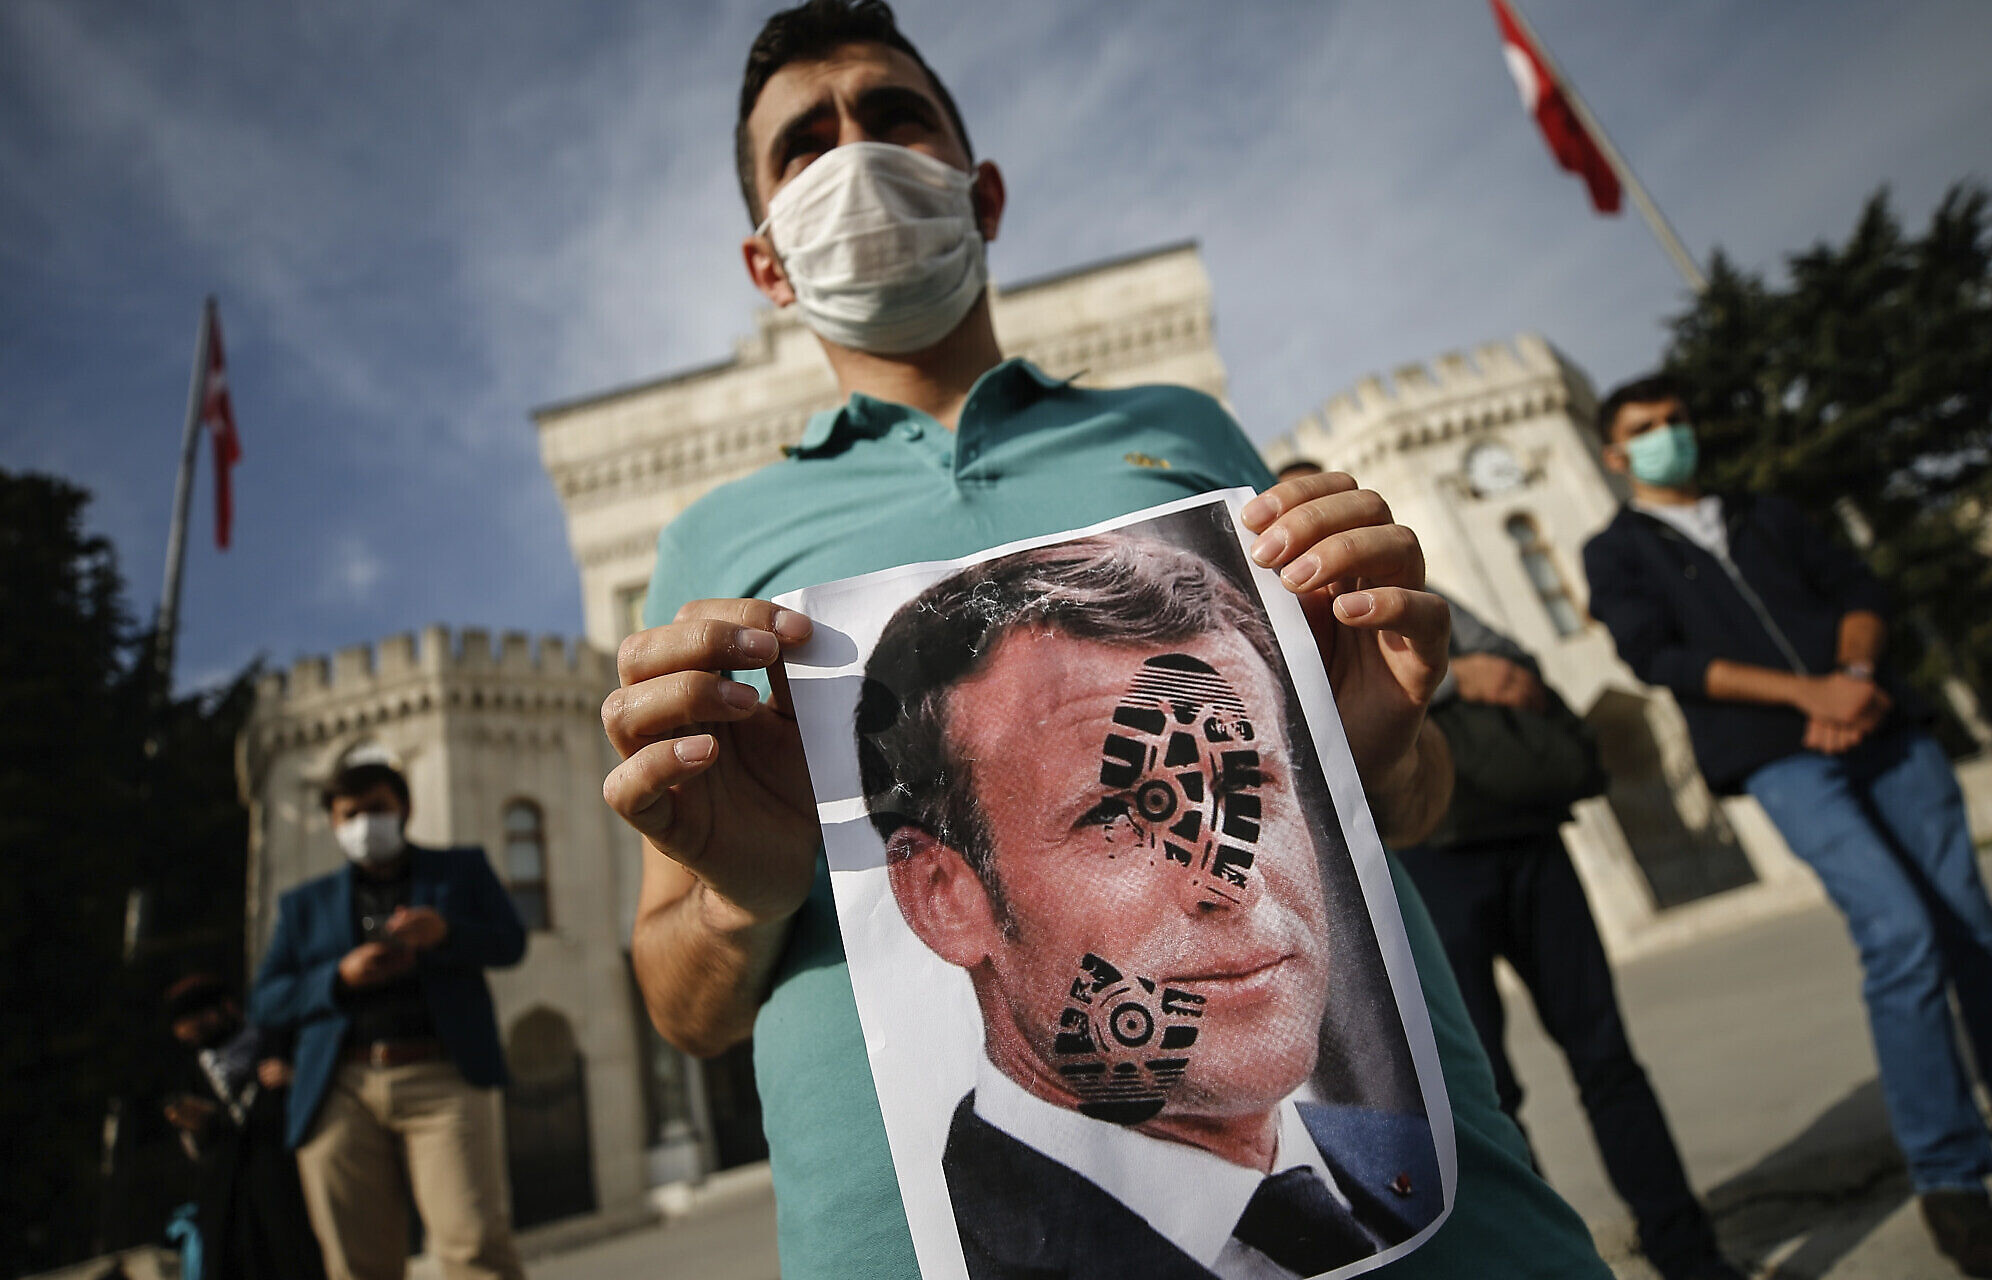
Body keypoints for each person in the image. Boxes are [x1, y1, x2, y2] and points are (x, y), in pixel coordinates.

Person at [604, 2, 1610, 1276]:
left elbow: (1398, 806)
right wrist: (742, 893)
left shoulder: (1179, 429)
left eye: (892, 113)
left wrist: (1373, 741)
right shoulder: (712, 547)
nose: (854, 152)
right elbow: (679, 1004)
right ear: (766, 263)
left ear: (982, 191)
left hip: (1437, 1215)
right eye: (804, 141)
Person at [861, 533, 1443, 1278]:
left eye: (1249, 788)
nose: (1231, 878)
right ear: (944, 899)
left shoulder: (1405, 1160)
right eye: (1120, 816)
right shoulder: (943, 1253)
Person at [1583, 373, 1992, 1278]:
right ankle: (1952, 1173)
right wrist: (1806, 695)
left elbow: (1858, 589)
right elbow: (1661, 657)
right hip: (1781, 752)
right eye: (1645, 430)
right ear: (1613, 455)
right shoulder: (1618, 551)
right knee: (1900, 931)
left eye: (1676, 421)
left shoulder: (1764, 512)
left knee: (1971, 924)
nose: (1667, 438)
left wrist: (1850, 674)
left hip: (1883, 723)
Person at [1391, 600, 1741, 1280]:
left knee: (1606, 1055)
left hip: (1526, 833)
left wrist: (1479, 669)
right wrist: (1458, 679)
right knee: (1486, 1089)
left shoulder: (1415, 584)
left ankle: (1690, 1256)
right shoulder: (1291, 589)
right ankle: (1545, 1266)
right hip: (1428, 855)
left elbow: (1515, 664)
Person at [250, 760, 529, 1280]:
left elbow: (511, 942)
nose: (364, 823)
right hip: (341, 1088)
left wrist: (445, 933)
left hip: (441, 1075)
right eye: (350, 813)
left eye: (376, 808)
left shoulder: (459, 871)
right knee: (356, 1264)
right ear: (334, 824)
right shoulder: (303, 907)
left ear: (404, 807)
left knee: (474, 1243)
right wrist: (337, 977)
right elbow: (265, 1001)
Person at [161, 974, 324, 1280]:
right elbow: (198, 1151)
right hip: (231, 1202)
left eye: (198, 1017)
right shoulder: (193, 1072)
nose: (191, 1031)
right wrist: (198, 1127)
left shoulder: (275, 1042)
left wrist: (295, 1079)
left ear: (226, 1008)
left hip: (289, 1182)